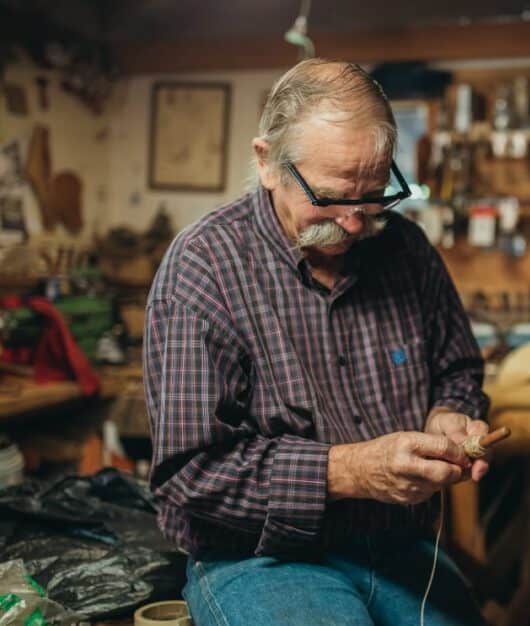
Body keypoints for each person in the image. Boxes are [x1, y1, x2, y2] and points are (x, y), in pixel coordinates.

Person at [143, 59, 490, 626]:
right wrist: (353, 470)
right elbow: (191, 470)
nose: (355, 224)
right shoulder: (203, 267)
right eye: (330, 198)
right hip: (261, 558)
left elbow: (457, 369)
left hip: (399, 549)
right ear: (267, 163)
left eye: (374, 195)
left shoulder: (405, 250)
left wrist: (450, 413)